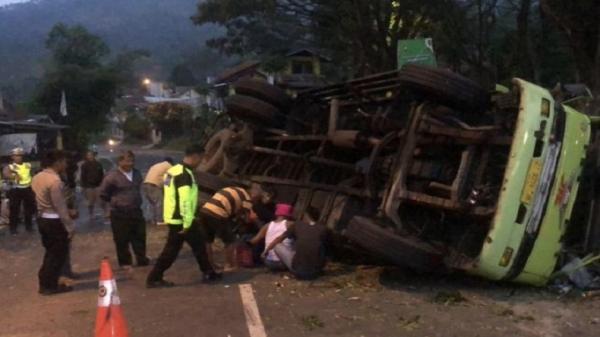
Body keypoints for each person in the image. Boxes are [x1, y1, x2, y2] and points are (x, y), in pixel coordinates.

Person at [146, 145, 220, 287]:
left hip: (175, 217)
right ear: (196, 156)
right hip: (182, 219)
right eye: (201, 158)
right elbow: (184, 200)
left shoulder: (172, 172)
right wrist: (187, 223)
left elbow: (167, 191)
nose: (201, 162)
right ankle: (154, 277)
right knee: (175, 250)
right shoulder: (184, 175)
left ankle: (208, 273)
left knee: (194, 246)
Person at [31, 150, 77, 295]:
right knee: (57, 254)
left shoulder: (38, 177)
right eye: (64, 161)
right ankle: (49, 286)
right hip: (54, 221)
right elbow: (60, 206)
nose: (66, 164)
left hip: (42, 218)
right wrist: (70, 226)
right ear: (57, 163)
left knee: (50, 253)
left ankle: (47, 282)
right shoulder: (55, 182)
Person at [199, 183, 271, 271]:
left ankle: (210, 264)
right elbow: (247, 219)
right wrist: (254, 218)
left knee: (208, 240)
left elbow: (235, 209)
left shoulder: (236, 189)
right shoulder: (247, 199)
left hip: (205, 210)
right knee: (230, 241)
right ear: (253, 193)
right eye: (257, 197)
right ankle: (229, 265)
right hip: (218, 213)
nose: (256, 200)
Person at [99, 151, 149, 269]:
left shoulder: (137, 174)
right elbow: (103, 194)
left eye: (132, 161)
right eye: (127, 161)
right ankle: (125, 262)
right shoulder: (112, 177)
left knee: (140, 236)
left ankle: (141, 258)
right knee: (121, 238)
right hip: (119, 212)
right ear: (120, 161)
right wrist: (107, 209)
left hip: (136, 210)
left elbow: (139, 188)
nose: (130, 163)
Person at [262, 206, 327, 280]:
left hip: (298, 270)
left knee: (278, 246)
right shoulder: (324, 229)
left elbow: (278, 239)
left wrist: (265, 251)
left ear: (306, 215)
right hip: (315, 272)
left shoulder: (297, 225)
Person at [2, 147, 36, 235]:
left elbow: (31, 174)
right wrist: (13, 176)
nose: (19, 157)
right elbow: (5, 174)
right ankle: (13, 229)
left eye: (20, 155)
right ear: (12, 157)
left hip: (27, 188)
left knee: (28, 209)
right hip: (16, 189)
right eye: (16, 155)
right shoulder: (10, 166)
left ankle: (29, 227)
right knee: (14, 210)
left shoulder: (27, 165)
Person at [143, 157, 173, 225]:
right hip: (154, 185)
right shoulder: (169, 166)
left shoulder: (157, 165)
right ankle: (160, 221)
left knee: (152, 204)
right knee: (159, 203)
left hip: (145, 184)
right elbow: (168, 182)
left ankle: (153, 220)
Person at [80, 150, 105, 220]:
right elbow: (83, 176)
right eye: (88, 155)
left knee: (100, 200)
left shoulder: (98, 164)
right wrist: (83, 186)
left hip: (98, 185)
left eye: (91, 155)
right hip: (89, 186)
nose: (89, 156)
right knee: (90, 202)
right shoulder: (84, 165)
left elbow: (101, 174)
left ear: (94, 156)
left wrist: (102, 184)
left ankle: (104, 213)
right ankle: (91, 214)